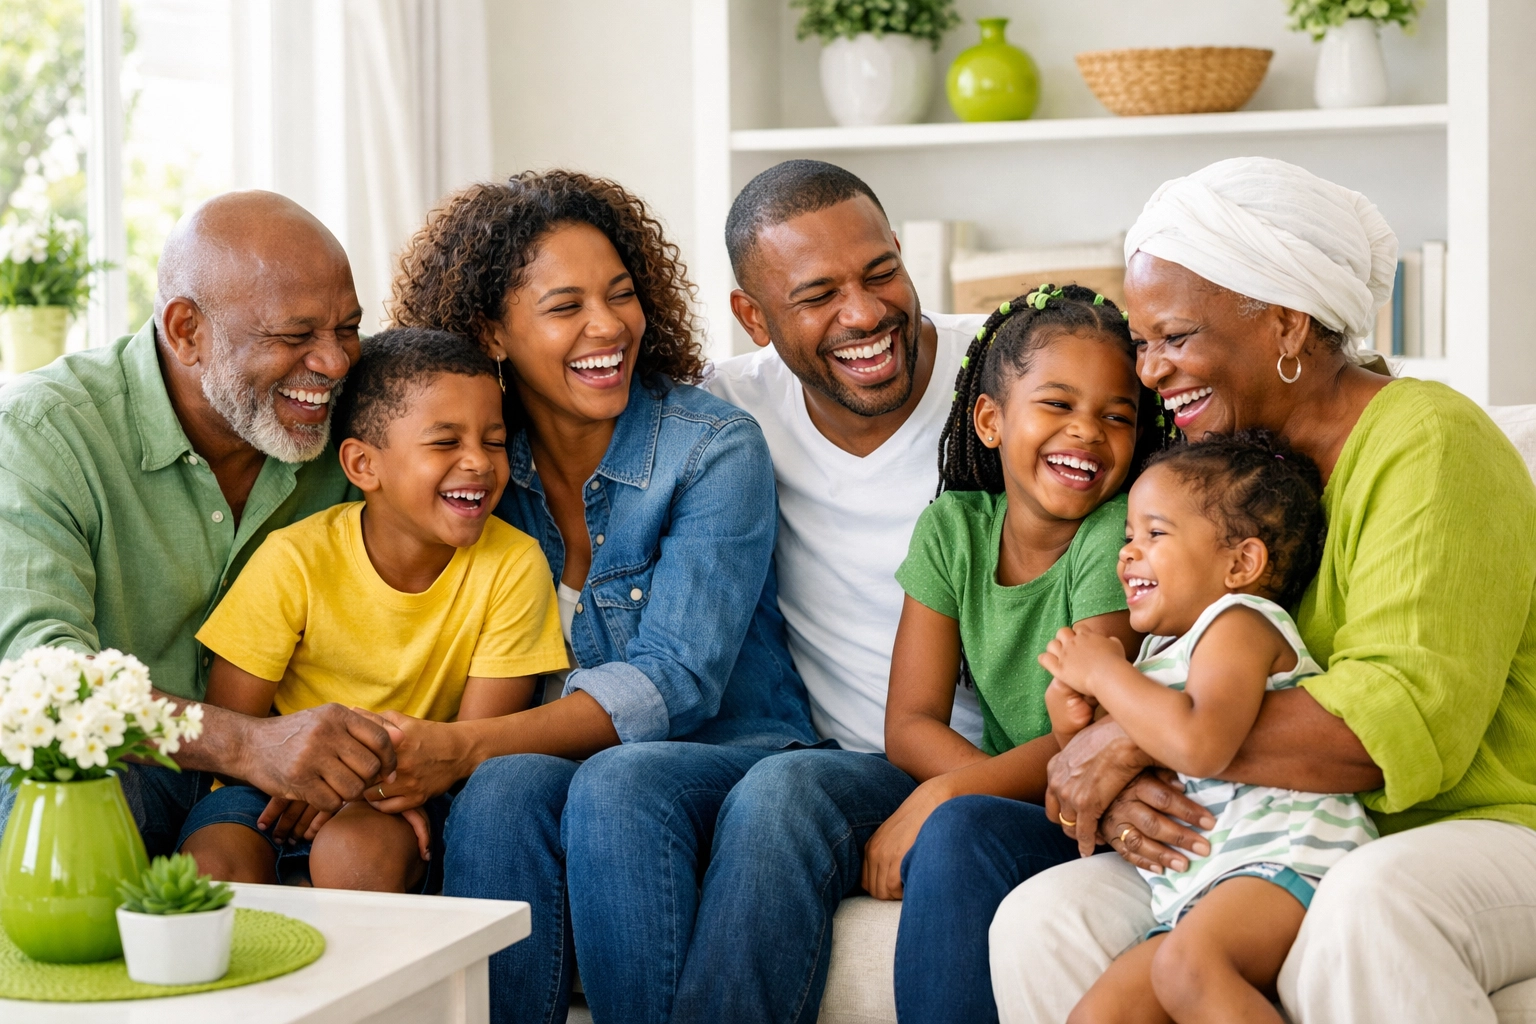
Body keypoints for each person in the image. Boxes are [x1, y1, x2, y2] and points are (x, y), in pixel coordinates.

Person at [989, 157, 1536, 1024]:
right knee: (1042, 920)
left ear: (1285, 326)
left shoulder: (1432, 443)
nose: (1152, 372)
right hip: (1269, 831)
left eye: (1175, 337)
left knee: (1371, 902)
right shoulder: (1226, 479)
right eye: (1143, 342)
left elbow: (1389, 725)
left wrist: (1140, 744)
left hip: (1477, 826)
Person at [381, 170, 816, 1024]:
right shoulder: (477, 471)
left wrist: (465, 745)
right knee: (503, 792)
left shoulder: (713, 449)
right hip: (566, 762)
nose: (607, 326)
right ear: (490, 333)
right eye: (565, 306)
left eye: (621, 295)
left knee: (613, 782)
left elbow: (676, 682)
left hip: (735, 749)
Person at [668, 158, 984, 1023]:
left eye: (882, 271)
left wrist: (957, 787)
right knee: (747, 790)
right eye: (817, 295)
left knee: (781, 797)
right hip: (854, 764)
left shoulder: (1012, 372)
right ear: (753, 316)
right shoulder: (725, 415)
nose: (865, 313)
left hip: (1005, 754)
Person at [0, 191, 398, 854]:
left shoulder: (367, 420)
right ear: (186, 331)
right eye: (294, 336)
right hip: (130, 769)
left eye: (347, 329)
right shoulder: (42, 431)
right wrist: (247, 743)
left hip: (282, 796)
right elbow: (39, 677)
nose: (333, 363)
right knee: (58, 790)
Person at [183, 328, 567, 892]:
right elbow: (231, 729)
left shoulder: (512, 565)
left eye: (493, 441)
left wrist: (354, 790)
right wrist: (301, 776)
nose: (479, 464)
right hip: (272, 789)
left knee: (355, 853)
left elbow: (474, 744)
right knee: (213, 867)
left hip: (408, 791)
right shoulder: (295, 558)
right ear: (363, 465)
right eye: (444, 442)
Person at [876, 285, 1156, 1024]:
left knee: (957, 830)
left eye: (1116, 415)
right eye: (1058, 405)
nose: (1087, 433)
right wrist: (972, 788)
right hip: (1033, 795)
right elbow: (908, 722)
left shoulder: (1115, 536)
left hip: (1099, 811)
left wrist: (949, 793)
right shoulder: (953, 529)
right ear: (991, 420)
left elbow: (1093, 737)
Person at [1044, 431, 1376, 1024]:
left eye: (1155, 533)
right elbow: (1094, 777)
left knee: (1187, 969)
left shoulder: (1240, 623)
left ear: (1240, 563)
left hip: (1288, 860)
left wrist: (1104, 673)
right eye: (1128, 537)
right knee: (1098, 1015)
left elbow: (1200, 743)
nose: (1127, 552)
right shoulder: (1156, 656)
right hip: (1200, 892)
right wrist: (1070, 712)